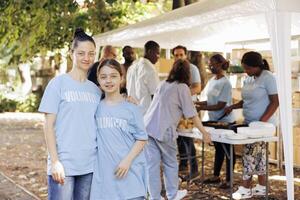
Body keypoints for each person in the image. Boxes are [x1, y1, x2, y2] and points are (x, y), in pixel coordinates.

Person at [38, 28, 101, 200]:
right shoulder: (58, 84)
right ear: (71, 53)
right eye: (81, 53)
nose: (86, 58)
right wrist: (55, 162)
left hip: (89, 165)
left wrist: (127, 99)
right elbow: (48, 125)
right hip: (64, 165)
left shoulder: (95, 90)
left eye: (91, 53)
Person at [144, 59, 211, 200]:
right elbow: (192, 114)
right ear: (187, 74)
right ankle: (173, 195)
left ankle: (154, 197)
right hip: (164, 130)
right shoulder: (182, 88)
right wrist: (204, 132)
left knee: (152, 166)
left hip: (148, 128)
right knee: (170, 163)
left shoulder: (163, 84)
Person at [90, 59, 148, 200]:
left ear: (121, 78)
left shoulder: (131, 108)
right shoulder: (95, 107)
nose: (108, 81)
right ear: (98, 80)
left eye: (113, 76)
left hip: (130, 177)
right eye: (103, 77)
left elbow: (142, 138)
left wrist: (127, 161)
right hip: (105, 181)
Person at [224, 51, 279, 199]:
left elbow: (275, 102)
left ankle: (245, 188)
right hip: (249, 124)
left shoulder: (268, 78)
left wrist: (261, 121)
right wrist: (233, 107)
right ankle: (261, 187)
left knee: (249, 155)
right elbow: (246, 101)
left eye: (248, 68)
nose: (246, 71)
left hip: (263, 126)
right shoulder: (248, 79)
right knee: (259, 156)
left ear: (257, 66)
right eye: (244, 68)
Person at [195, 54, 235, 189]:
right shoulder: (212, 80)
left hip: (225, 121)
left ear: (220, 64)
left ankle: (230, 180)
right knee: (219, 149)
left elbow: (221, 105)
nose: (210, 66)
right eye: (209, 64)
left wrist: (201, 107)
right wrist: (197, 103)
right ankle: (216, 176)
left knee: (229, 150)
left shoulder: (226, 83)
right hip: (213, 120)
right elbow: (210, 101)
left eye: (213, 64)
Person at [172, 45, 201, 178]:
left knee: (188, 139)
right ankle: (183, 164)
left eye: (181, 55)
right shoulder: (174, 69)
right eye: (176, 55)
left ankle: (194, 169)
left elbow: (197, 87)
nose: (178, 57)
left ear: (186, 55)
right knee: (179, 138)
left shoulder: (192, 68)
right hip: (177, 108)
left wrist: (182, 94)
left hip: (189, 107)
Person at [126, 40, 160, 115]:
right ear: (150, 51)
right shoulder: (150, 69)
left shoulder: (132, 66)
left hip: (131, 111)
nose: (159, 56)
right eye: (157, 53)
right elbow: (156, 95)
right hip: (145, 114)